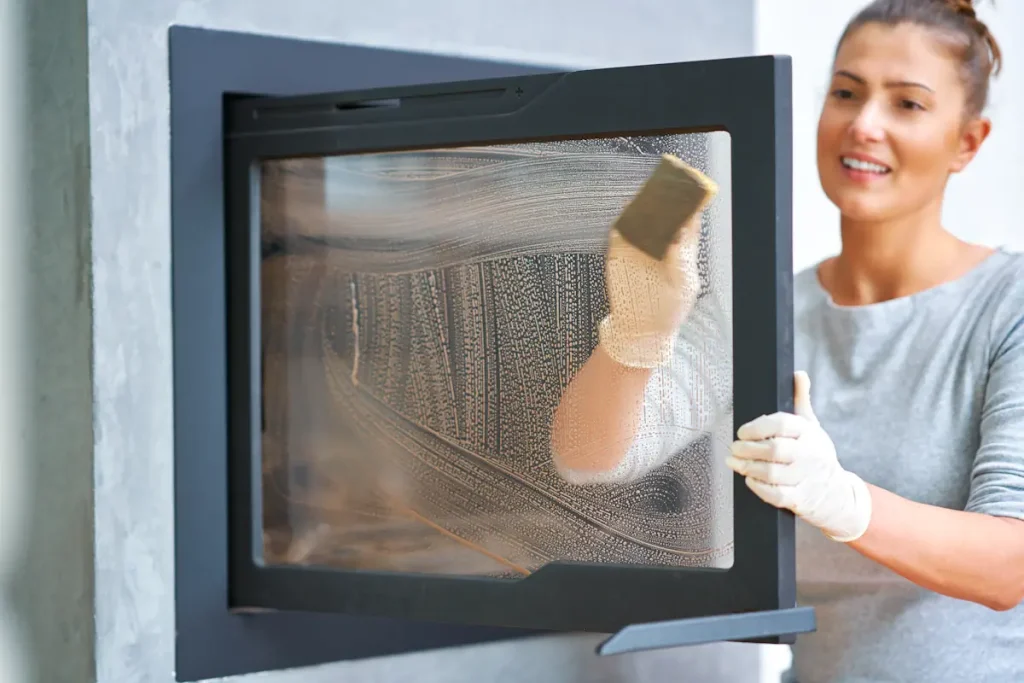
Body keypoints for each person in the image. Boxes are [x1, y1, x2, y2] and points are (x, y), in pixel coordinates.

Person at [549, 0, 1024, 680]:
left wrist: (844, 500)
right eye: (846, 93)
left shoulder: (1008, 305)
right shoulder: (771, 310)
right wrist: (634, 334)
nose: (864, 125)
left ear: (967, 142)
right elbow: (586, 459)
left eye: (908, 105)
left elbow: (1011, 566)